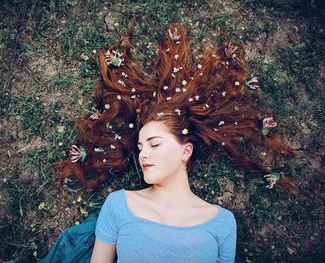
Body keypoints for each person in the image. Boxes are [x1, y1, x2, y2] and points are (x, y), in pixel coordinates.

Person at [52, 22, 295, 263]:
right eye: (140, 147)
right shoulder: (118, 205)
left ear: (185, 150)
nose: (143, 154)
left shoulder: (222, 223)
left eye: (154, 144)